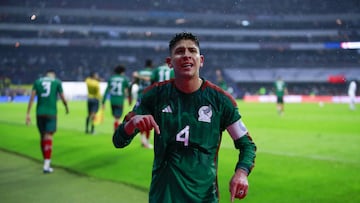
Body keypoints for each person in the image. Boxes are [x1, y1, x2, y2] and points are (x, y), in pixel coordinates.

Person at [113, 32, 256, 203]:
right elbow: (118, 141)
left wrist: (241, 173)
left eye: (192, 51)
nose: (186, 55)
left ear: (201, 60)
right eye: (180, 51)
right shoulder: (154, 95)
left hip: (204, 199)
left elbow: (247, 145)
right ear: (169, 63)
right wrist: (131, 125)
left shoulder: (221, 101)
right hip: (163, 197)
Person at [25, 69, 69, 173]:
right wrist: (67, 107)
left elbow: (31, 98)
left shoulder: (37, 82)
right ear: (53, 75)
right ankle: (47, 164)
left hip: (39, 112)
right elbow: (62, 97)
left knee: (42, 136)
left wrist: (27, 113)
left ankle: (45, 161)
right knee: (48, 136)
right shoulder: (57, 82)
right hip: (51, 113)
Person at [132, 59, 154, 148]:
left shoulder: (140, 72)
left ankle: (143, 139)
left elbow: (135, 82)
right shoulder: (153, 73)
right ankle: (146, 142)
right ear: (151, 65)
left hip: (140, 97)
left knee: (141, 118)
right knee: (149, 119)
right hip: (150, 97)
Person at [102, 65, 131, 132]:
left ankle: (115, 130)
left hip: (112, 101)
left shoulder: (111, 78)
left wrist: (103, 102)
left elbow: (106, 91)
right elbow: (128, 90)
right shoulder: (124, 79)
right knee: (118, 118)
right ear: (122, 72)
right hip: (120, 100)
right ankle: (117, 131)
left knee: (115, 117)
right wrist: (129, 98)